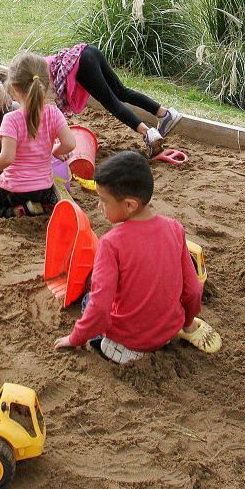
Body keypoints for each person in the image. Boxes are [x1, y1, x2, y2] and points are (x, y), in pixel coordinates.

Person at [54, 152, 221, 364]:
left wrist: (76, 338)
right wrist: (187, 323)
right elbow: (193, 289)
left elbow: (100, 307)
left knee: (88, 298)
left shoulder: (110, 243)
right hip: (166, 335)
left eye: (103, 200)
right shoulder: (174, 228)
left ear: (130, 205)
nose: (98, 206)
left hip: (124, 348)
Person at [0, 53, 74, 218]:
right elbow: (70, 143)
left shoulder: (11, 119)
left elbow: (7, 158)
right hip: (43, 188)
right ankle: (42, 203)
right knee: (43, 193)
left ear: (12, 87)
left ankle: (15, 211)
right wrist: (55, 150)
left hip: (14, 190)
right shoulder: (54, 113)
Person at [47, 42, 181, 156]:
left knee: (112, 104)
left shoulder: (34, 79)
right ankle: (164, 114)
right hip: (87, 50)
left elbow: (51, 116)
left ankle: (148, 133)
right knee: (121, 91)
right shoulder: (36, 64)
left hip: (82, 64)